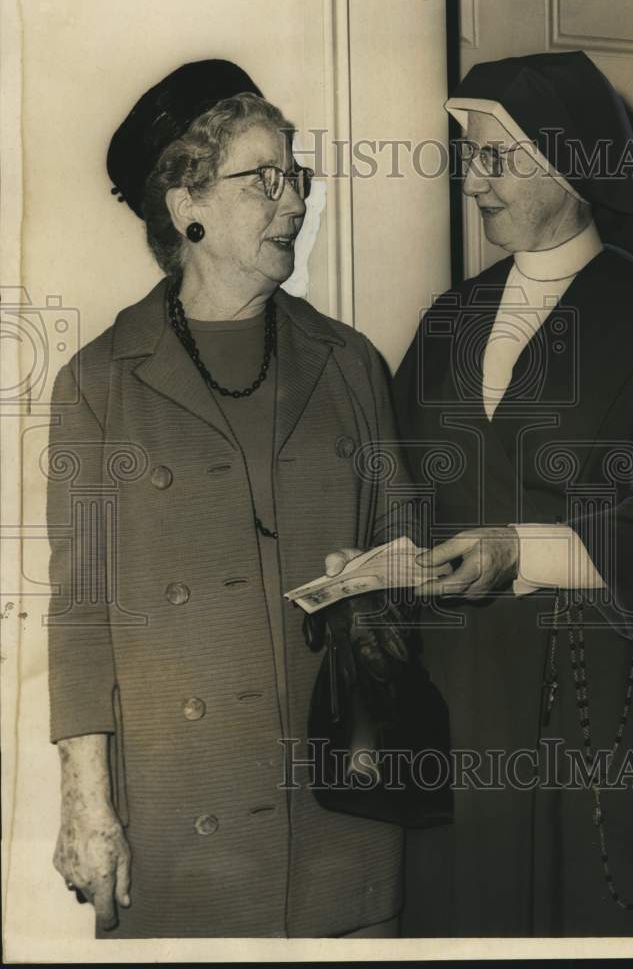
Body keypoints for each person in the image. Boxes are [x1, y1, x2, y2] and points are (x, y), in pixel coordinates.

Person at [47, 59, 412, 939]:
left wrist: (374, 590)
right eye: (265, 180)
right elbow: (81, 612)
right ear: (187, 207)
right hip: (184, 807)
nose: (295, 202)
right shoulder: (100, 382)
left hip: (339, 794)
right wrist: (85, 809)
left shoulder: (349, 361)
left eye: (297, 177)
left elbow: (404, 537)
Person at [392, 51, 633, 937]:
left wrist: (521, 550)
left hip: (605, 702)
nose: (471, 180)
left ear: (565, 160)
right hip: (457, 703)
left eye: (492, 157)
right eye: (465, 156)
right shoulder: (447, 320)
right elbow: (392, 483)